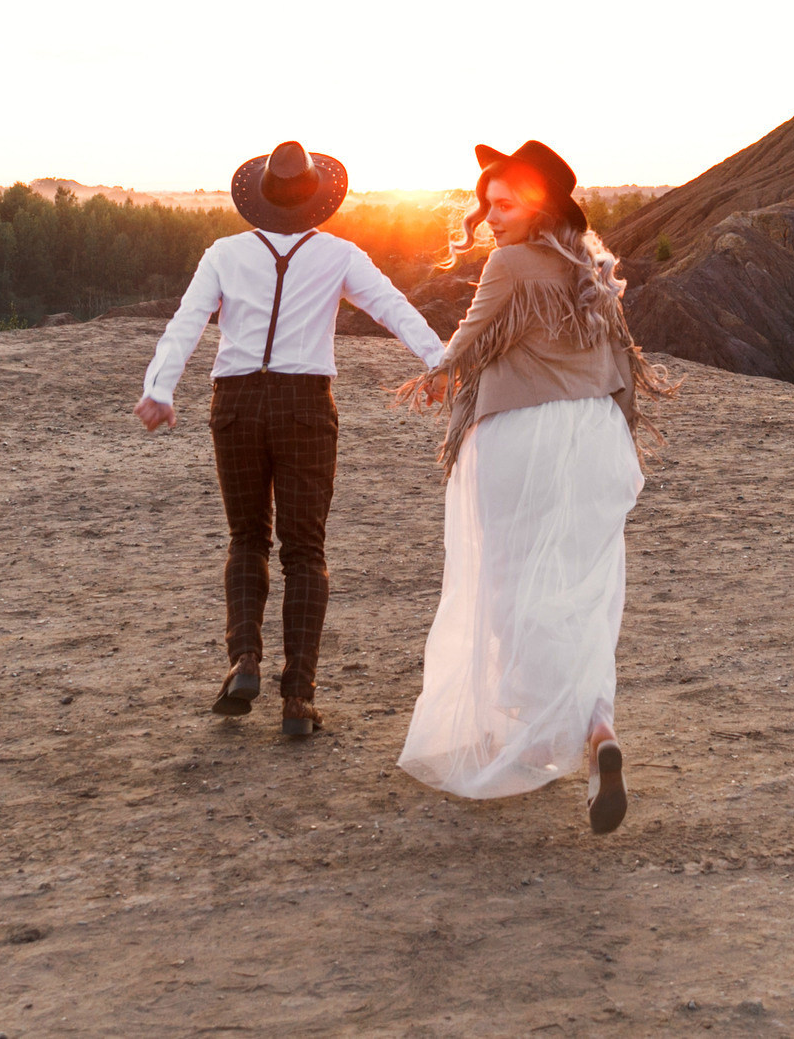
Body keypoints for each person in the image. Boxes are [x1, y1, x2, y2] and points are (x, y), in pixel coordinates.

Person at [394, 141, 672, 834]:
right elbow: (616, 359)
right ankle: (597, 731)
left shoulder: (510, 263)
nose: (490, 216)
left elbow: (470, 335)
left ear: (539, 202)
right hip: (595, 434)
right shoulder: (592, 264)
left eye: (505, 202)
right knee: (584, 591)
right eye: (486, 203)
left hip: (523, 433)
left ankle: (535, 726)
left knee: (512, 583)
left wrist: (435, 376)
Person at [137, 140, 446, 738]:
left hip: (237, 405)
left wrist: (161, 390)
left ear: (261, 198)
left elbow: (186, 323)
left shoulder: (223, 253)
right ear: (315, 199)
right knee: (305, 552)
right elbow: (393, 308)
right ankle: (298, 699)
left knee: (246, 537)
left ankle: (243, 661)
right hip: (305, 406)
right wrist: (439, 362)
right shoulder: (339, 254)